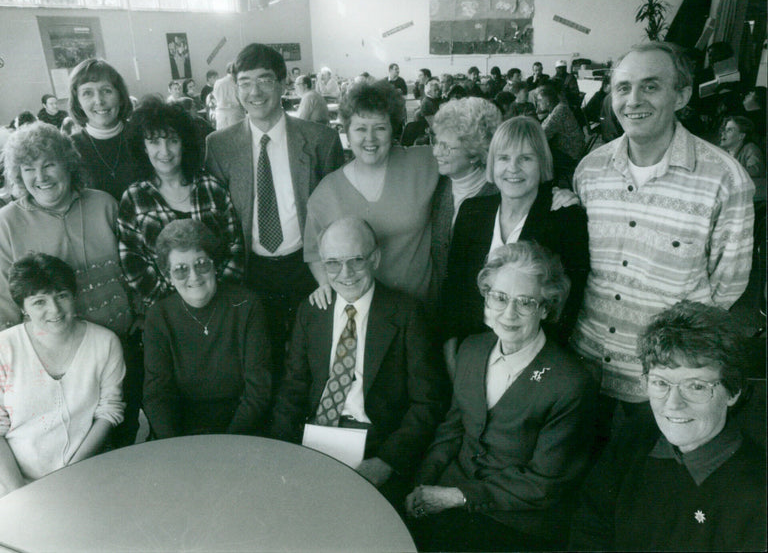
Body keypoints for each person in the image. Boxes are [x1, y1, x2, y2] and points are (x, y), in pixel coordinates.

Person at [571, 42, 755, 421]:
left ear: (682, 95)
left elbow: (727, 286)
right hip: (585, 364)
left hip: (664, 381)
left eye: (651, 86)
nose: (633, 100)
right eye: (623, 87)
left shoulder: (724, 179)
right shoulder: (590, 171)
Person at [406, 242, 597, 552]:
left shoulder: (569, 382)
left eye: (524, 302)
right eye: (500, 297)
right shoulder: (471, 349)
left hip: (517, 521)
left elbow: (544, 484)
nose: (509, 313)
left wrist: (455, 496)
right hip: (449, 496)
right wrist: (422, 484)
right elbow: (452, 430)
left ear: (545, 308)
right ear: (486, 299)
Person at [0, 122, 140, 447]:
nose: (42, 176)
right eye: (29, 168)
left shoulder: (104, 205)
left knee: (122, 438)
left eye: (50, 164)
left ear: (69, 164)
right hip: (52, 370)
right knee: (67, 450)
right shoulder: (5, 225)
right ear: (18, 176)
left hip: (119, 353)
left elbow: (133, 271)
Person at [271, 218, 449, 505]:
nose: (345, 274)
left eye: (356, 260)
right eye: (333, 263)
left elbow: (428, 403)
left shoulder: (407, 314)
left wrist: (387, 461)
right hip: (315, 436)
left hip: (375, 445)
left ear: (375, 258)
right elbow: (292, 388)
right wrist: (281, 450)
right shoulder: (312, 311)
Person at [570, 301, 766, 551]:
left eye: (696, 386)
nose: (673, 405)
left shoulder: (757, 493)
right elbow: (590, 527)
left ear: (733, 391)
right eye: (661, 383)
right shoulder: (636, 434)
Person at [205, 43, 344, 385]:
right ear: (235, 88)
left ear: (284, 84)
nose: (255, 92)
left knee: (313, 355)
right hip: (251, 271)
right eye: (246, 82)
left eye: (265, 80)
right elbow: (217, 219)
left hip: (307, 267)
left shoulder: (320, 140)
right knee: (259, 359)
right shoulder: (218, 146)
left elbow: (338, 211)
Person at [0, 253, 126, 510]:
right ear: (23, 307)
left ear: (74, 295)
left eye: (62, 295)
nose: (54, 310)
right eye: (39, 301)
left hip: (82, 470)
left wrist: (71, 472)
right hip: (12, 481)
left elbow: (109, 411)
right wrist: (22, 493)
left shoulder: (104, 343)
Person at [441, 116, 589, 353]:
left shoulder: (565, 220)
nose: (513, 168)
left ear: (542, 163)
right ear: (492, 163)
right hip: (471, 349)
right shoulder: (472, 212)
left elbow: (567, 305)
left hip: (532, 355)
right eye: (503, 158)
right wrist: (451, 352)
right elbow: (454, 288)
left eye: (526, 158)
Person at [304, 80, 438, 306]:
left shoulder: (424, 163)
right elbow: (314, 253)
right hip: (362, 314)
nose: (370, 138)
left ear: (393, 129)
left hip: (421, 307)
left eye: (380, 128)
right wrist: (326, 284)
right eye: (360, 129)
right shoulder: (327, 191)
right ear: (346, 131)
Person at [143, 220, 272, 439]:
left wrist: (228, 442)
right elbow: (157, 395)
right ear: (168, 277)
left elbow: (258, 391)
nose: (194, 277)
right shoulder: (159, 316)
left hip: (241, 430)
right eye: (181, 270)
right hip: (182, 435)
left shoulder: (247, 305)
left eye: (201, 264)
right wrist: (176, 445)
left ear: (214, 265)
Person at [117, 101, 244, 318]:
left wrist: (211, 296)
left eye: (173, 140)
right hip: (167, 313)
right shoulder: (134, 197)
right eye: (154, 142)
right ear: (143, 147)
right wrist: (176, 306)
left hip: (221, 307)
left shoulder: (211, 187)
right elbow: (133, 262)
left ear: (184, 144)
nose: (164, 151)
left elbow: (235, 247)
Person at [429, 97, 502, 312]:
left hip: (476, 311)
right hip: (437, 304)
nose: (436, 153)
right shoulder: (436, 185)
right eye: (436, 142)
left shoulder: (498, 193)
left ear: (474, 153)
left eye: (446, 147)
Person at [68, 58, 138, 202]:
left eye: (106, 91)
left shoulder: (142, 135)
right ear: (78, 102)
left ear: (120, 96)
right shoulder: (70, 148)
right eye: (87, 93)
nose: (99, 101)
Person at [537, 81, 586, 187]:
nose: (538, 104)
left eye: (540, 101)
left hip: (570, 154)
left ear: (547, 102)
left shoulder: (559, 111)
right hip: (571, 149)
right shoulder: (559, 107)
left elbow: (542, 135)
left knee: (538, 156)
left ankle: (547, 187)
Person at [720, 116, 766, 191]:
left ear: (741, 136)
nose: (723, 133)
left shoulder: (750, 148)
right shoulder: (723, 152)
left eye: (729, 130)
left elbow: (755, 171)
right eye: (724, 130)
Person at [211, 61, 245, 131]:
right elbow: (241, 99)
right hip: (235, 114)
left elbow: (215, 98)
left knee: (222, 138)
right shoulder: (236, 83)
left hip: (220, 114)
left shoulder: (218, 82)